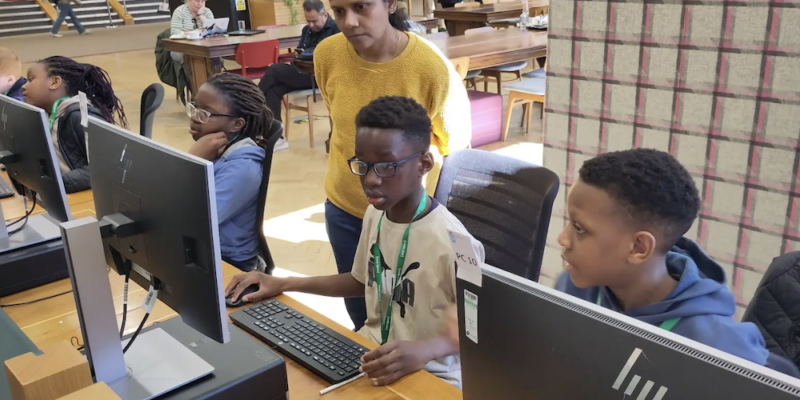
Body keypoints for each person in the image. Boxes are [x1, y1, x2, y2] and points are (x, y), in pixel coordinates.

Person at [443, 148, 799, 377]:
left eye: (580, 229)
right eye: (569, 222)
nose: (563, 239)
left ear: (639, 248)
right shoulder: (578, 285)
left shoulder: (717, 347)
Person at [226, 97, 481, 388]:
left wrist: (427, 349)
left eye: (386, 166)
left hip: (431, 375)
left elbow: (481, 328)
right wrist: (284, 283)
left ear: (424, 164)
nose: (371, 179)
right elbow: (362, 282)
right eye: (363, 164)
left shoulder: (458, 245)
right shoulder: (376, 213)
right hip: (370, 355)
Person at [314, 0, 471, 330]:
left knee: (411, 318)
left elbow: (456, 151)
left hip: (408, 221)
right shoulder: (326, 54)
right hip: (346, 209)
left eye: (361, 6)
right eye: (339, 11)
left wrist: (426, 224)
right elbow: (342, 126)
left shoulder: (431, 68)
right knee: (365, 318)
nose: (350, 22)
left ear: (390, 3)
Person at [186, 73, 273, 272]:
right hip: (205, 249)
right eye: (194, 107)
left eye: (205, 114)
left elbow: (195, 221)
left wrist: (192, 160)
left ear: (236, 124)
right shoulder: (214, 149)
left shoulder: (243, 169)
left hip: (228, 263)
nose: (193, 117)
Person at [22, 56, 126, 193]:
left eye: (30, 79)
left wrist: (57, 183)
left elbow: (105, 169)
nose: (24, 86)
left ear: (55, 82)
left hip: (86, 198)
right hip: (61, 195)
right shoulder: (46, 115)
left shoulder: (80, 116)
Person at [257, 0, 339, 152]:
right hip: (301, 72)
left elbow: (330, 59)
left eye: (314, 21)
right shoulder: (306, 30)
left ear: (325, 15)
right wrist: (299, 54)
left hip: (319, 77)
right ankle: (277, 136)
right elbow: (299, 52)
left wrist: (309, 55)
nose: (311, 25)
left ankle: (250, 103)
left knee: (274, 70)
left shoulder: (336, 30)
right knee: (274, 89)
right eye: (308, 21)